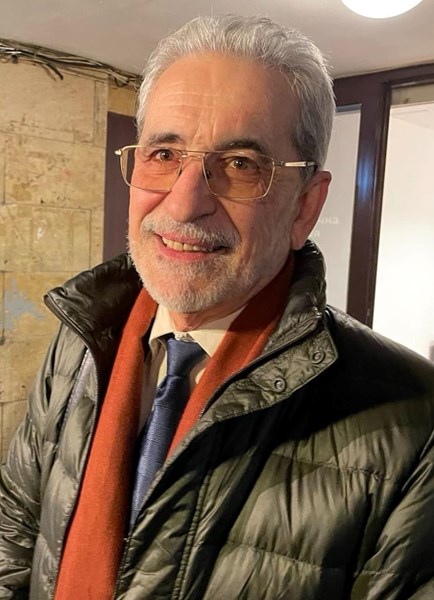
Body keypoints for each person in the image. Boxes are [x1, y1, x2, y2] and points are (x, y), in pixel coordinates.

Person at [1, 13, 434, 600]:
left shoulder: (413, 423)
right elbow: (15, 529)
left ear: (306, 206)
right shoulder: (82, 339)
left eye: (240, 164)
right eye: (163, 153)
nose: (185, 204)